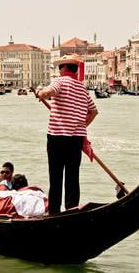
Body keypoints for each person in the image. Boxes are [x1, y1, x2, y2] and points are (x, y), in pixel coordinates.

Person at [37, 54, 98, 215]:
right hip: (76, 139)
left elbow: (50, 91)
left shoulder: (60, 81)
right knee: (72, 178)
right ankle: (71, 211)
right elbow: (93, 111)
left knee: (55, 178)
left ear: (64, 68)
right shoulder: (82, 88)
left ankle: (55, 213)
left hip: (57, 138)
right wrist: (80, 125)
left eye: (59, 68)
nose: (58, 71)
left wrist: (41, 93)